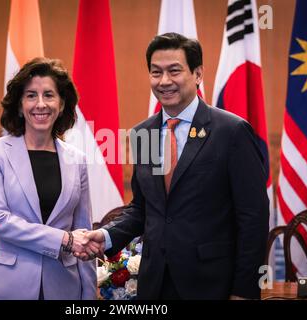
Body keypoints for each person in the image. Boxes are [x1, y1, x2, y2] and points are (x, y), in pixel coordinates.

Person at [82, 33, 270, 300]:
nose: (164, 81)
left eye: (174, 71)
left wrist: (243, 290)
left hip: (213, 284)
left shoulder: (232, 132)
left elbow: (253, 217)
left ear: (197, 74)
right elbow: (143, 207)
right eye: (156, 72)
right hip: (154, 283)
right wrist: (107, 235)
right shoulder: (141, 133)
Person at [0, 57, 97, 300]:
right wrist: (63, 239)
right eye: (31, 95)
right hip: (7, 287)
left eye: (49, 95)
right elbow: (0, 221)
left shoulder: (78, 159)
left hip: (64, 287)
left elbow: (82, 230)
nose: (40, 104)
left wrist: (89, 294)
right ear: (19, 105)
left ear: (62, 104)